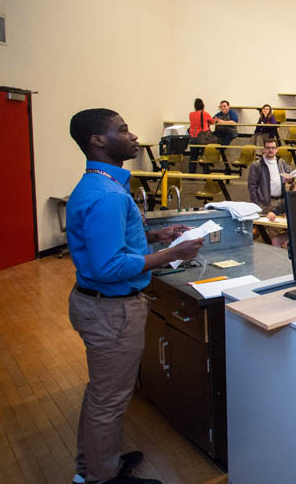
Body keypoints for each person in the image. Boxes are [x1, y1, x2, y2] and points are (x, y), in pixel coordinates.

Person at [67, 108, 203, 484]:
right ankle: (101, 477)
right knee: (108, 400)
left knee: (102, 395)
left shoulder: (100, 185)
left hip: (97, 305)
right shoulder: (108, 196)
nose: (132, 136)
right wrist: (172, 254)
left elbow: (112, 246)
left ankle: (94, 465)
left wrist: (158, 237)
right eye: (123, 129)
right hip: (110, 311)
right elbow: (108, 267)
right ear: (97, 140)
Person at [247, 138, 296, 247]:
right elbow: (252, 187)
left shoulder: (281, 163)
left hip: (279, 201)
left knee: (274, 230)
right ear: (264, 150)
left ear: (277, 150)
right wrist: (255, 204)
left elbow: (290, 177)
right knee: (261, 229)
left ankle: (264, 248)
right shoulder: (256, 166)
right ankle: (259, 248)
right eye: (268, 148)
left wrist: (290, 179)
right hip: (264, 203)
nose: (270, 150)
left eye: (273, 148)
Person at [188, 98, 214, 173]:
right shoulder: (205, 113)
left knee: (193, 157)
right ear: (203, 106)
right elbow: (212, 121)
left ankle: (191, 175)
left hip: (193, 137)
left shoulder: (191, 114)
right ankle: (205, 174)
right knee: (204, 156)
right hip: (203, 137)